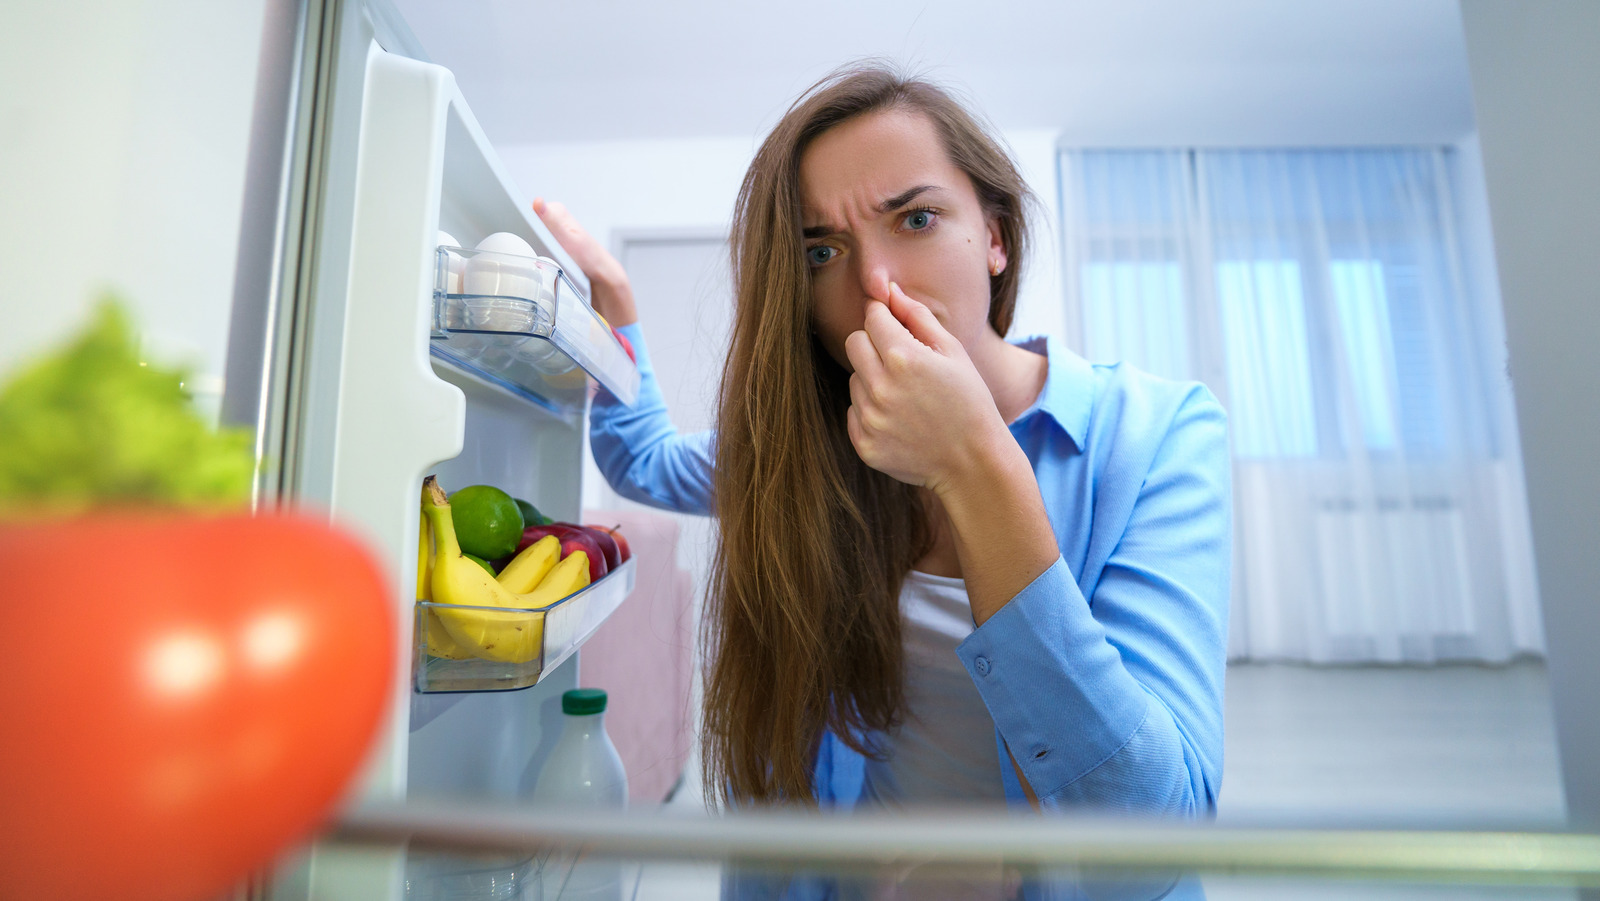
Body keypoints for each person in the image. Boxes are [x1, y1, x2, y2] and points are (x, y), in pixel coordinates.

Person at [536, 62, 1230, 897]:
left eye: (917, 218)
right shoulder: (807, 449)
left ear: (997, 238)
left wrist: (973, 462)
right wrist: (618, 306)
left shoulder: (1156, 435)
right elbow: (642, 460)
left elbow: (1151, 836)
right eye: (821, 251)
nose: (875, 283)